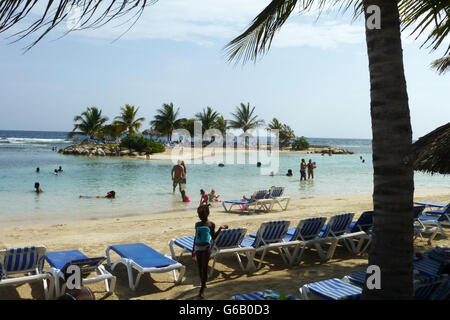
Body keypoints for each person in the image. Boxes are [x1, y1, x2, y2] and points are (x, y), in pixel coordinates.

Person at [192, 204, 228, 299]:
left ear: (207, 213)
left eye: (202, 214)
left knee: (204, 268)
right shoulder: (197, 224)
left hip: (206, 248)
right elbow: (196, 237)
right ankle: (203, 283)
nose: (200, 216)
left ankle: (202, 290)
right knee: (199, 268)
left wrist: (220, 228)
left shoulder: (211, 224)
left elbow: (214, 237)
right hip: (198, 248)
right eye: (199, 214)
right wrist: (193, 250)